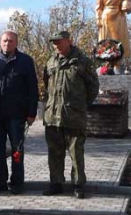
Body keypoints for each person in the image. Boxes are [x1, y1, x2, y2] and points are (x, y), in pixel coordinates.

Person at [42, 31, 99, 199]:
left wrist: (80, 105)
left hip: (74, 116)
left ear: (69, 41)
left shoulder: (83, 61)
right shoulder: (51, 62)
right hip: (53, 115)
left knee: (76, 153)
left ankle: (78, 185)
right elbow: (47, 84)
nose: (56, 45)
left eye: (59, 42)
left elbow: (93, 87)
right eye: (54, 43)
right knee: (54, 152)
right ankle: (56, 183)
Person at [0, 30, 39, 195]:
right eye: (4, 41)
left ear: (16, 43)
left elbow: (32, 89)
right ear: (0, 42)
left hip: (17, 115)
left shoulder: (25, 61)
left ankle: (17, 182)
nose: (7, 43)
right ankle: (0, 181)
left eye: (10, 41)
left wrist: (31, 113)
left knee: (17, 151)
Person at [96, 0, 131, 71]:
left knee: (119, 40)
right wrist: (98, 18)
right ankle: (106, 63)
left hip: (119, 17)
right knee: (106, 40)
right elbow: (98, 6)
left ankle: (118, 63)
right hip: (106, 16)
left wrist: (128, 5)